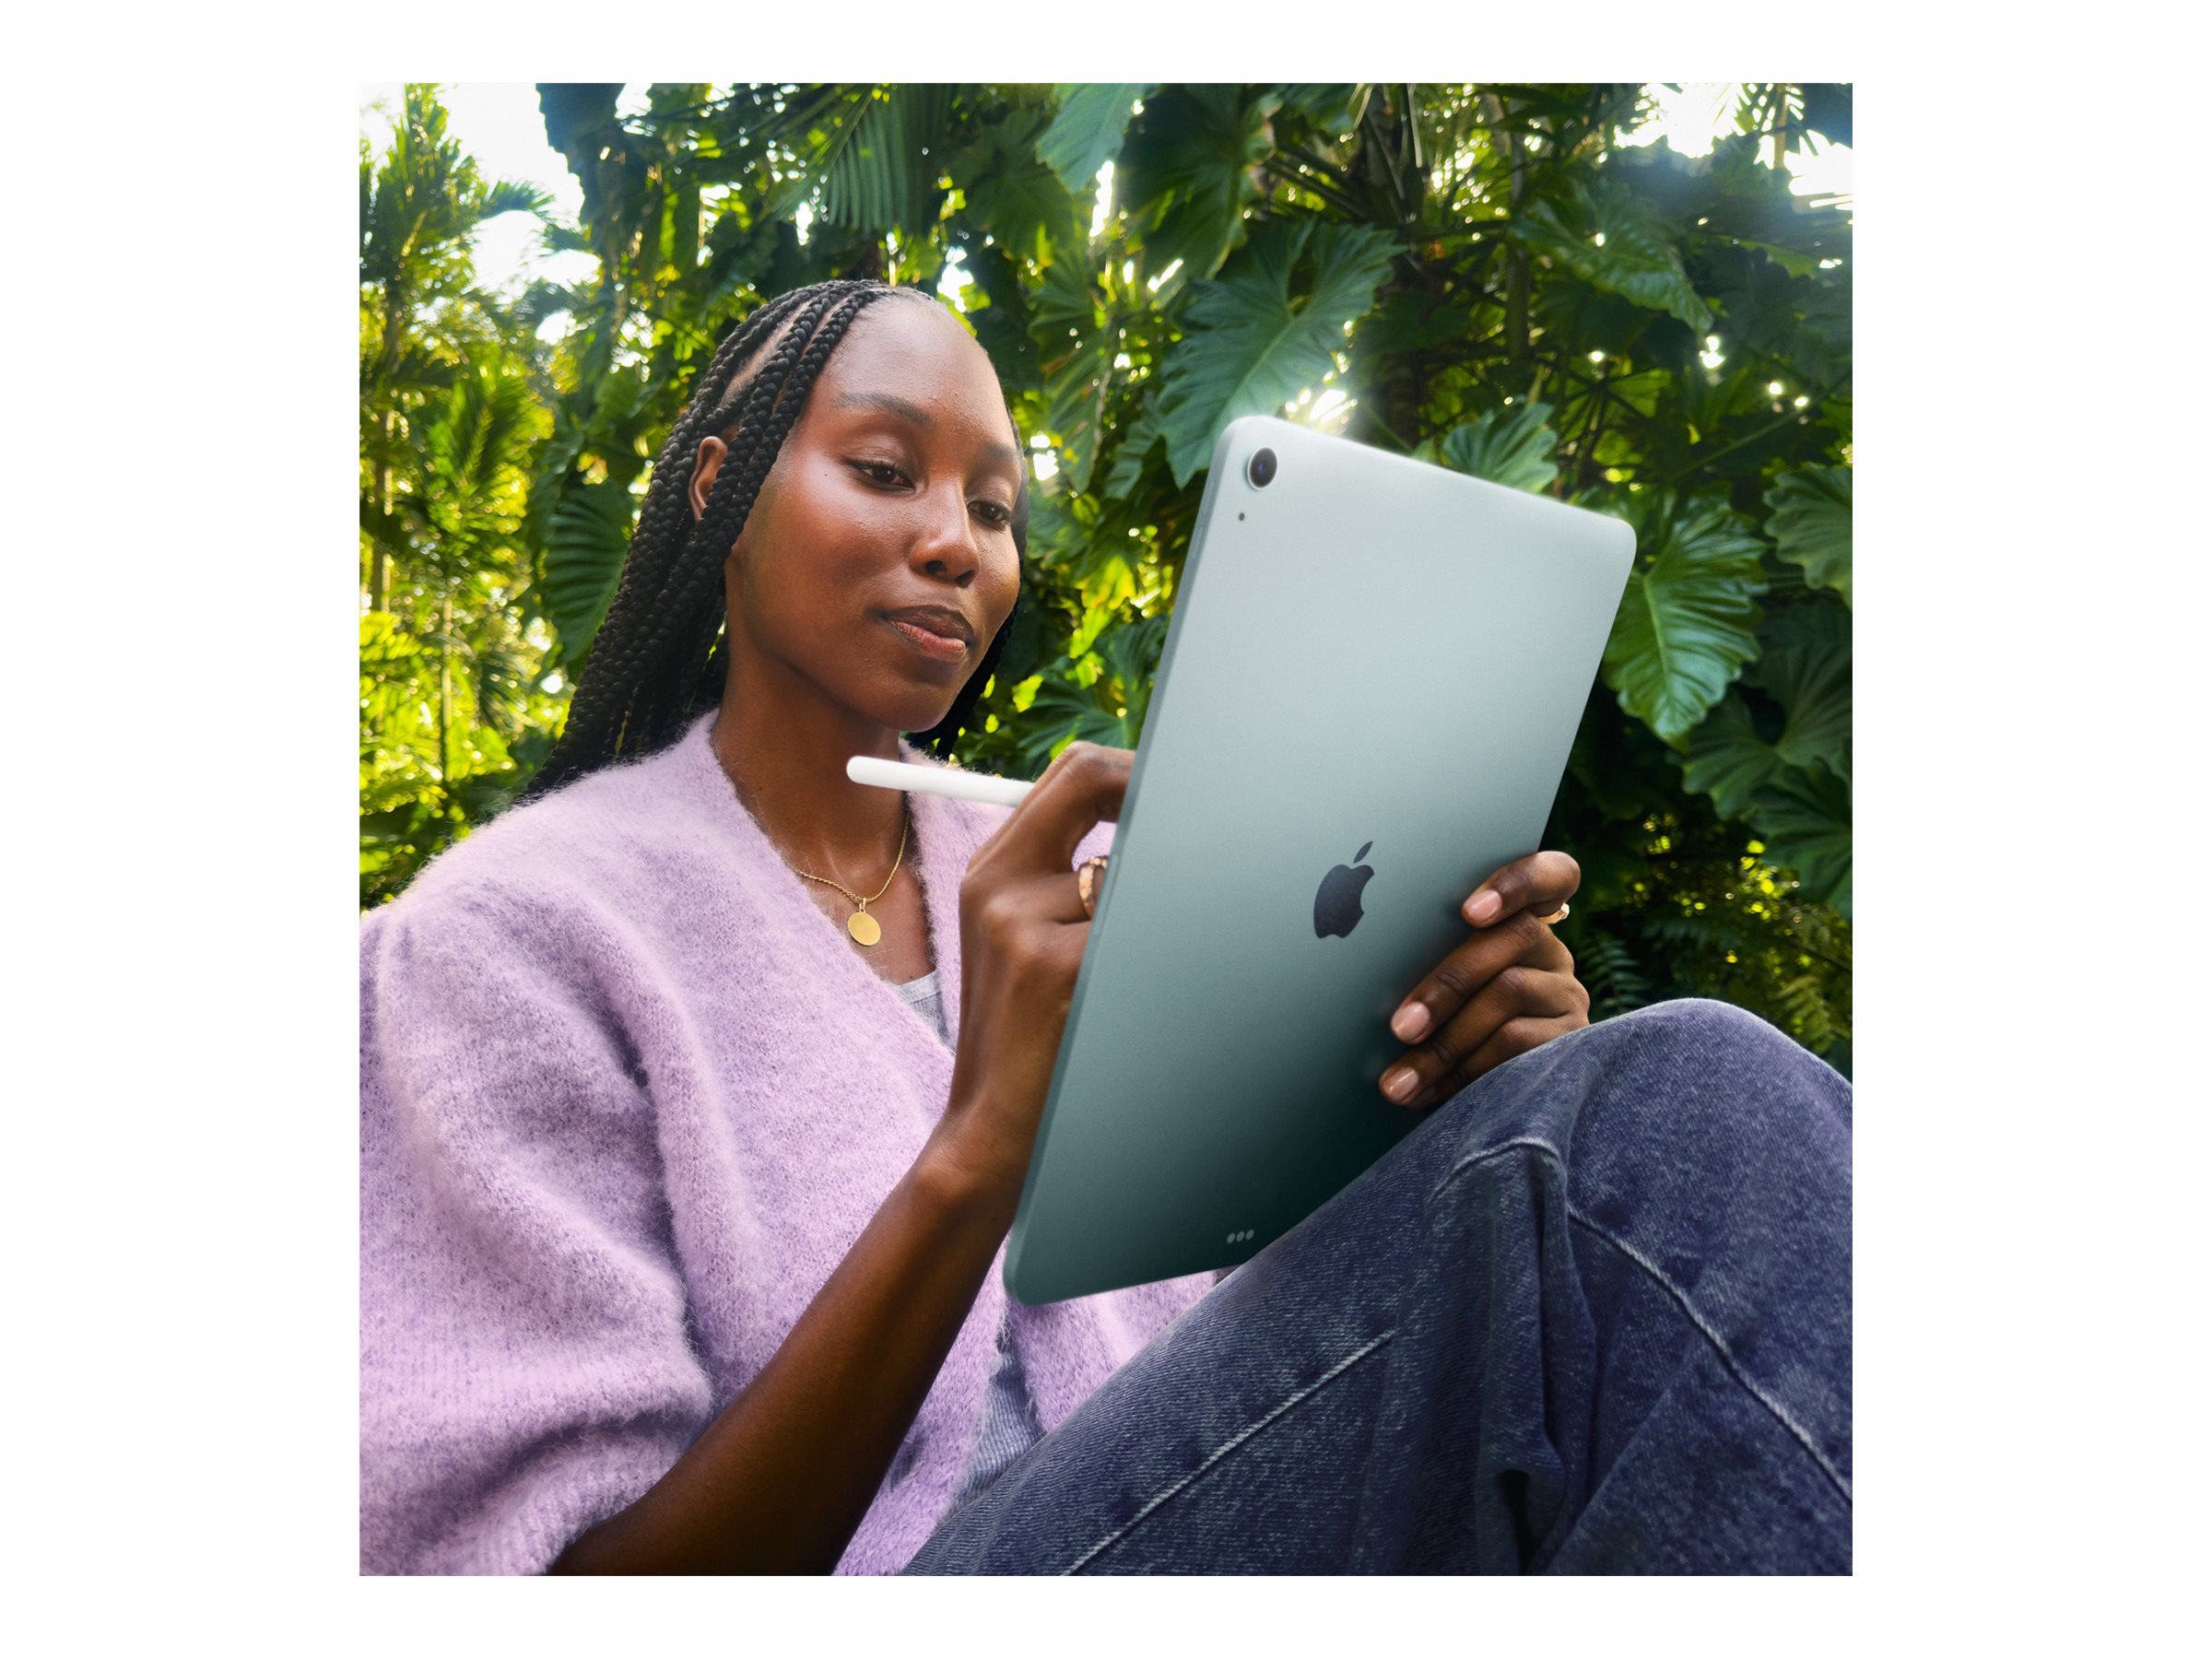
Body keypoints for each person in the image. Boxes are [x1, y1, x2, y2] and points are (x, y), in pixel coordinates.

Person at [359, 277, 1852, 1575]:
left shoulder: (1087, 875)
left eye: (996, 508)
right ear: (719, 493)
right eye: (885, 469)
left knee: (1660, 1126)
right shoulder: (511, 938)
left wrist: (1459, 1113)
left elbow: (1263, 1349)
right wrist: (979, 1153)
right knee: (1689, 1098)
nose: (959, 542)